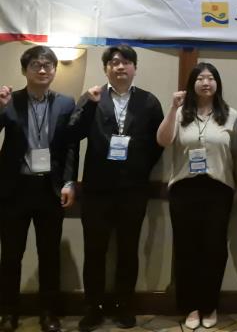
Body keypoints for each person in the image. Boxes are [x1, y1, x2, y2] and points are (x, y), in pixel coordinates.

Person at [69, 45, 164, 331]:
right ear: (106, 69)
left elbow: (158, 143)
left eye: (125, 62)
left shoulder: (148, 101)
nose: (120, 66)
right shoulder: (93, 97)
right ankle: (93, 307)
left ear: (134, 68)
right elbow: (73, 133)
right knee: (94, 251)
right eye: (113, 62)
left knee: (127, 250)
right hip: (97, 190)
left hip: (133, 190)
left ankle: (124, 305)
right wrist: (89, 104)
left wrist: (139, 166)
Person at [156, 62, 237, 330]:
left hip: (219, 188)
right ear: (192, 84)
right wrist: (173, 108)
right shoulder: (181, 112)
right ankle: (190, 306)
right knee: (187, 249)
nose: (206, 83)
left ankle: (209, 305)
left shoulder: (230, 114)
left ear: (217, 83)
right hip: (184, 188)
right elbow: (163, 140)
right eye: (200, 78)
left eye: (211, 78)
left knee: (214, 250)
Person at [0, 46, 79, 332]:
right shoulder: (9, 100)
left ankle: (49, 313)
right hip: (14, 189)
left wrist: (69, 182)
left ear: (55, 70)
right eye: (36, 65)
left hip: (49, 188)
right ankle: (8, 312)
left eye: (48, 65)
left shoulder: (66, 103)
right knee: (11, 255)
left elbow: (70, 146)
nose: (43, 70)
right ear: (25, 70)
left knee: (49, 254)